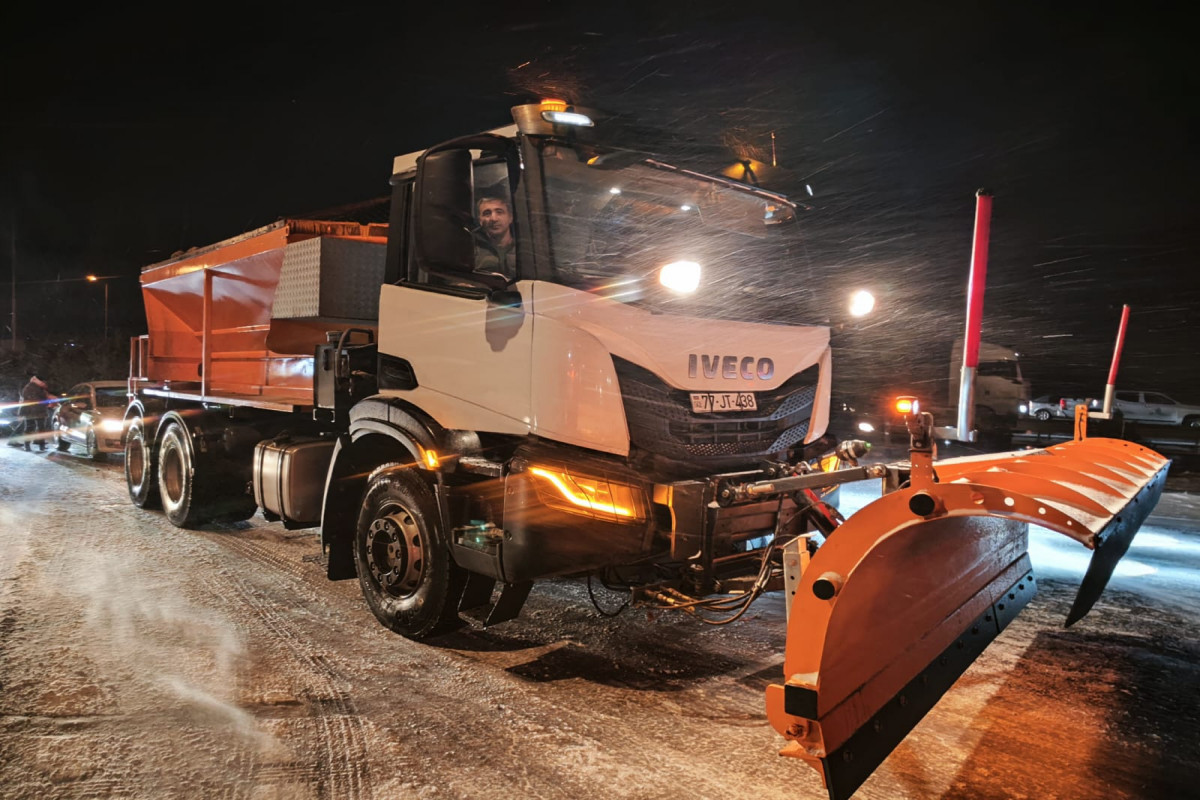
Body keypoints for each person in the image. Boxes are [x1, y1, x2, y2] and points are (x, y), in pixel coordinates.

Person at [473, 190, 516, 278]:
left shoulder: (524, 249)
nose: (493, 218)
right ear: (480, 220)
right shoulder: (470, 247)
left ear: (510, 217)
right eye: (487, 213)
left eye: (499, 212)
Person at [13, 370, 56, 452]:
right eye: (43, 382)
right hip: (31, 411)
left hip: (37, 410)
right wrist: (45, 401)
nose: (44, 383)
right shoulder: (30, 387)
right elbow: (34, 399)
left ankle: (40, 445)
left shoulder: (38, 387)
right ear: (39, 381)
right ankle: (29, 445)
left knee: (38, 428)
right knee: (31, 428)